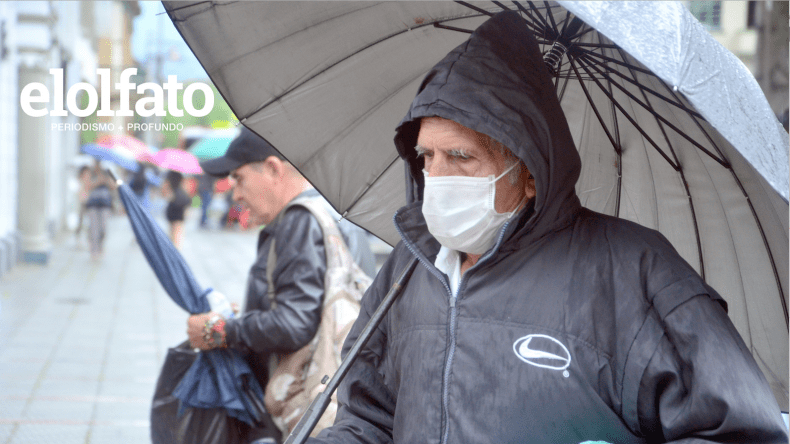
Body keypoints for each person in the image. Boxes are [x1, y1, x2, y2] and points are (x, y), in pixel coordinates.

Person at [308, 12, 788, 444]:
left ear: (530, 174)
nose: (437, 177)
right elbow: (368, 419)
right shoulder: (407, 269)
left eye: (461, 157)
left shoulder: (634, 272)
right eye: (426, 157)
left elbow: (737, 433)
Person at [186, 127, 376, 443]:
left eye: (239, 178)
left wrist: (221, 330)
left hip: (305, 409)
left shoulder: (298, 221)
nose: (235, 194)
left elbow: (293, 323)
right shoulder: (334, 213)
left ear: (273, 169)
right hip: (342, 404)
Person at [84, 160, 114, 261]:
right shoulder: (90, 173)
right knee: (94, 228)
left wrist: (106, 180)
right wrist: (98, 181)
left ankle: (100, 245)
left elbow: (113, 187)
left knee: (103, 228)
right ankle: (94, 250)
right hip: (93, 204)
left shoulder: (107, 173)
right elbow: (87, 186)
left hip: (105, 204)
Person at [162, 171, 191, 250]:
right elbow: (187, 192)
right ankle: (175, 249)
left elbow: (165, 192)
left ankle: (172, 247)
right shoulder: (183, 175)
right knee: (177, 229)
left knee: (172, 229)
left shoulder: (169, 175)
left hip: (173, 205)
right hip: (180, 205)